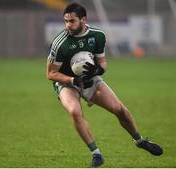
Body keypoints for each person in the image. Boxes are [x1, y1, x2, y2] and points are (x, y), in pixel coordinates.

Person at [46, 3, 163, 167]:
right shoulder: (60, 43)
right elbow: (51, 73)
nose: (68, 25)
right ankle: (96, 154)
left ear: (83, 19)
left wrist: (98, 70)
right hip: (67, 82)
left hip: (90, 79)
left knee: (119, 109)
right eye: (65, 21)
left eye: (72, 21)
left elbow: (102, 62)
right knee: (74, 111)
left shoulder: (98, 36)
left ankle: (140, 140)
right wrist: (74, 80)